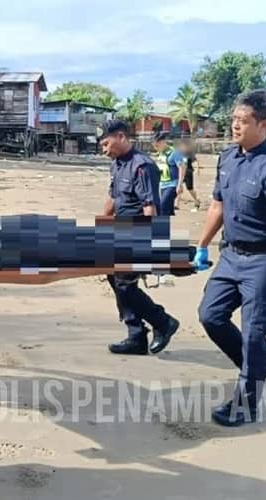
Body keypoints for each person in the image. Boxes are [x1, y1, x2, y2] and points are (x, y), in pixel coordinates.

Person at [192, 90, 266, 427]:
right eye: (234, 119)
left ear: (264, 125)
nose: (235, 125)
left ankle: (246, 404)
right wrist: (201, 245)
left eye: (243, 121)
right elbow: (218, 206)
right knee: (210, 315)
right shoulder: (228, 158)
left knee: (253, 332)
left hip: (264, 262)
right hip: (231, 255)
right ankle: (257, 367)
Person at [99, 119, 180, 355]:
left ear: (121, 137)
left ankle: (162, 321)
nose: (104, 150)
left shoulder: (142, 166)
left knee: (124, 284)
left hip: (138, 231)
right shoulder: (117, 164)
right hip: (120, 230)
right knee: (113, 276)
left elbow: (150, 206)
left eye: (106, 144)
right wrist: (99, 226)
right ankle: (136, 335)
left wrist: (150, 243)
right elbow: (113, 198)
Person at [152, 131, 186, 216]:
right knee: (169, 209)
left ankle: (161, 224)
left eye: (157, 146)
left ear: (163, 142)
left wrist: (180, 184)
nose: (156, 148)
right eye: (154, 146)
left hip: (172, 185)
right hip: (163, 185)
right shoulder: (160, 153)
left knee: (162, 207)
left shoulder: (174, 153)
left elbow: (182, 167)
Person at [175, 138, 202, 212]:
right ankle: (177, 205)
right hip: (180, 172)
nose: (182, 147)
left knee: (190, 189)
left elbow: (195, 160)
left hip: (188, 172)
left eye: (184, 146)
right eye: (181, 145)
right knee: (179, 187)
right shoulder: (178, 153)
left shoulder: (190, 153)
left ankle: (196, 200)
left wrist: (198, 169)